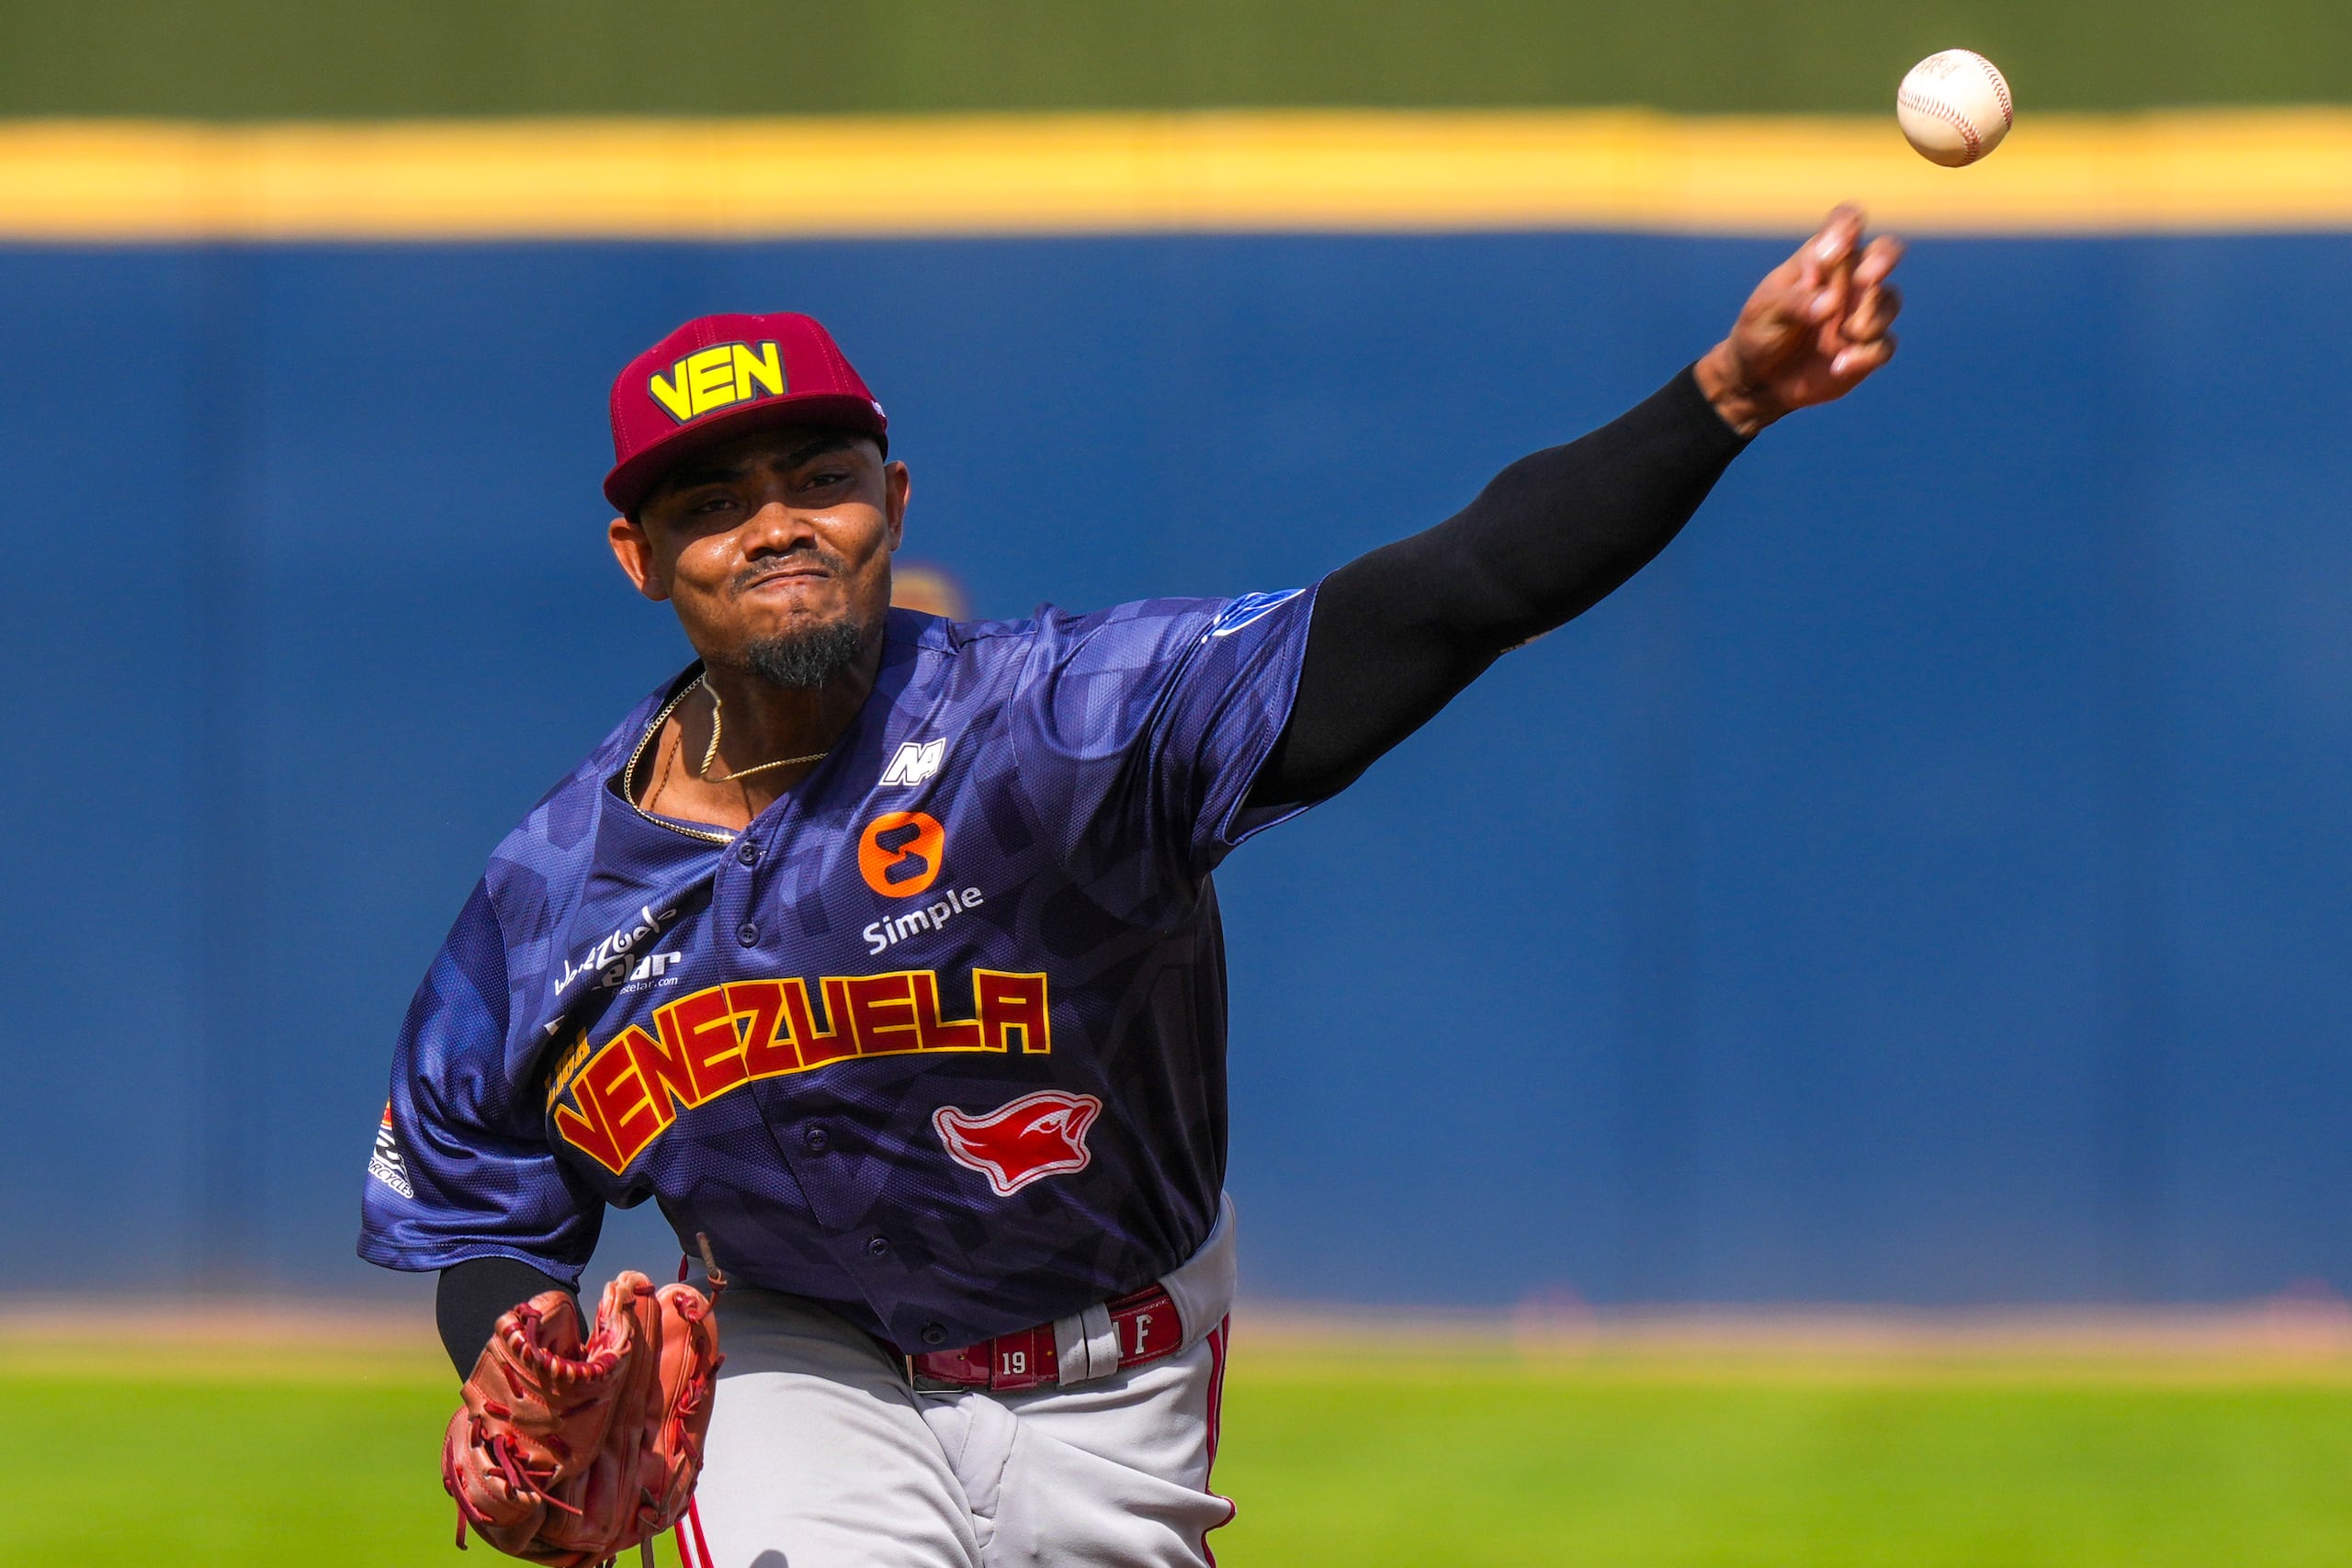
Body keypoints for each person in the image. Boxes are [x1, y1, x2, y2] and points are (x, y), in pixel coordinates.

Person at [361, 204, 1903, 1567]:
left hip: (1111, 1378)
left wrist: (1725, 399)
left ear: (891, 497)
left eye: (815, 477)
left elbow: (1450, 597)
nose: (775, 523)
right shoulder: (548, 900)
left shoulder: (1060, 729)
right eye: (711, 502)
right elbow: (470, 1196)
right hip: (793, 1370)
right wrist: (509, 1337)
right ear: (640, 555)